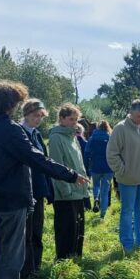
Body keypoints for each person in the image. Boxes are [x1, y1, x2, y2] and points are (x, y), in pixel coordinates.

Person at [0, 81, 86, 279]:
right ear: (9, 104)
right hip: (13, 199)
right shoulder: (10, 130)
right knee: (13, 253)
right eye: (16, 102)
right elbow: (36, 159)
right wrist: (70, 175)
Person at [106, 100, 140, 254]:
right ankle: (127, 244)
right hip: (128, 180)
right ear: (131, 112)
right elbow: (111, 153)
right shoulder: (120, 128)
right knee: (127, 211)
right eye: (138, 116)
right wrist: (122, 171)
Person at [48, 104, 89, 259]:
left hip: (79, 190)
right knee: (66, 229)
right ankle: (64, 261)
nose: (74, 122)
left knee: (78, 228)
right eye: (71, 119)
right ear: (61, 119)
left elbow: (80, 164)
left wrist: (85, 189)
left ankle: (76, 258)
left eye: (76, 119)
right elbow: (57, 166)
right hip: (65, 193)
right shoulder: (56, 137)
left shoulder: (73, 137)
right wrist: (66, 191)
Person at [19, 99, 54, 279]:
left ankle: (36, 268)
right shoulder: (19, 132)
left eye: (41, 116)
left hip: (39, 189)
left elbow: (45, 162)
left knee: (37, 231)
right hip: (24, 191)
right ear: (26, 114)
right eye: (35, 115)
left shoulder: (37, 134)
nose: (38, 119)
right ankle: (26, 272)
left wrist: (49, 189)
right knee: (26, 234)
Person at [86, 120, 113, 218]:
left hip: (95, 166)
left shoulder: (92, 138)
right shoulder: (110, 138)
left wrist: (88, 163)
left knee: (96, 185)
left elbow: (87, 152)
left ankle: (96, 198)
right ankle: (103, 214)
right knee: (105, 191)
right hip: (108, 168)